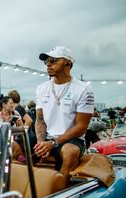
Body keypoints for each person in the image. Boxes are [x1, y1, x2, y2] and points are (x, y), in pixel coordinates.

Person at [34, 46, 94, 183]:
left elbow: (81, 127)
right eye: (46, 61)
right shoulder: (42, 88)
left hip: (71, 139)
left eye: (53, 60)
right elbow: (40, 120)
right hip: (47, 136)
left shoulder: (84, 89)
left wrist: (53, 143)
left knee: (71, 152)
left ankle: (59, 192)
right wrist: (41, 142)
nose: (48, 64)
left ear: (68, 63)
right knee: (13, 147)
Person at [0, 96, 24, 160]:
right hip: (1, 143)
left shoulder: (15, 113)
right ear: (4, 105)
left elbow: (22, 129)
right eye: (11, 103)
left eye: (13, 103)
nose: (13, 105)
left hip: (15, 143)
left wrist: (19, 123)